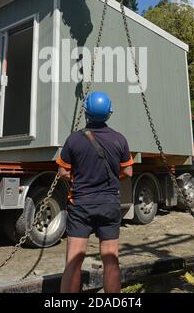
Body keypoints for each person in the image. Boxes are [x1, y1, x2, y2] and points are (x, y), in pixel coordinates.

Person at [56, 91, 134, 293]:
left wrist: (78, 178)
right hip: (109, 204)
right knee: (111, 260)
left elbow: (63, 171)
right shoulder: (119, 139)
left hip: (81, 205)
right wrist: (113, 178)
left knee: (74, 260)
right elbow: (128, 171)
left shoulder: (73, 139)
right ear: (109, 113)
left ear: (86, 113)